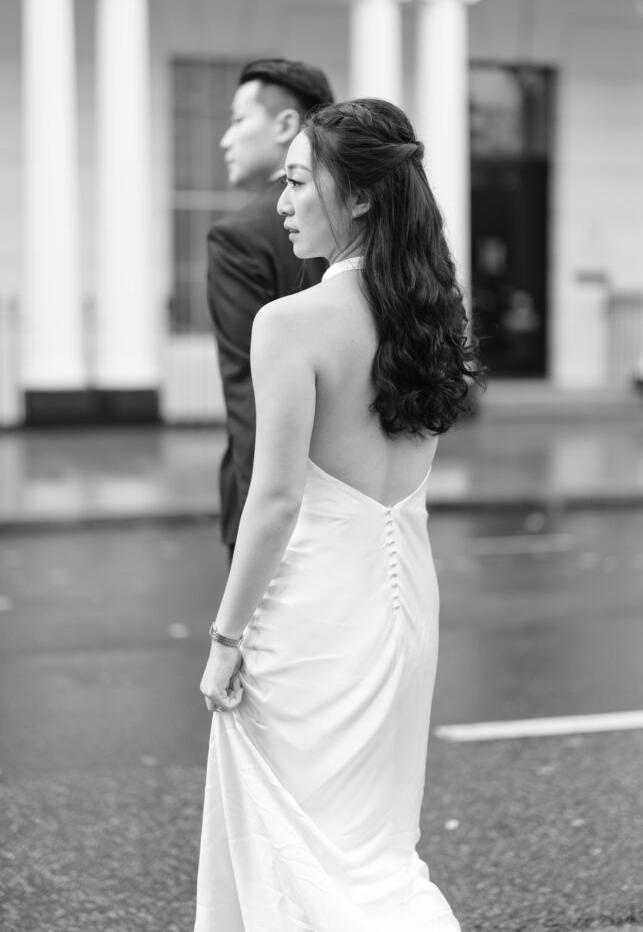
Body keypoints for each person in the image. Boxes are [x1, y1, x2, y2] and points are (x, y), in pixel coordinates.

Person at [195, 98, 485, 932]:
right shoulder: (433, 312)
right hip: (401, 611)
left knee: (296, 841)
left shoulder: (290, 323)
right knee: (374, 848)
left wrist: (223, 640)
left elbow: (277, 496)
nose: (282, 203)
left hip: (312, 616)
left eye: (295, 181)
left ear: (356, 196)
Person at [207, 58, 334, 558]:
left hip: (276, 505)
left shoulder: (238, 238)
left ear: (286, 125)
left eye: (239, 119)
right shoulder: (357, 223)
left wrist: (260, 533)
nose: (225, 139)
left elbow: (251, 400)